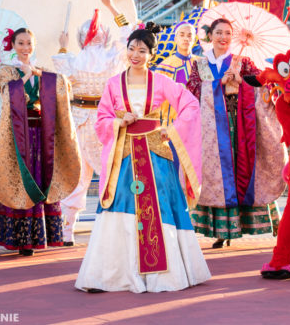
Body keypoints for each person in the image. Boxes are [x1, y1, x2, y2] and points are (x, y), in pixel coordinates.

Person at [75, 24, 210, 293]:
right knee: (121, 203)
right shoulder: (114, 83)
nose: (135, 54)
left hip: (156, 153)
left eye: (142, 50)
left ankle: (161, 275)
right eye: (132, 49)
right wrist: (118, 120)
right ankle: (112, 275)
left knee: (159, 206)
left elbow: (189, 104)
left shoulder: (160, 81)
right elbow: (102, 119)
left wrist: (170, 130)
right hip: (124, 154)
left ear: (152, 54)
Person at [0, 28, 81, 258]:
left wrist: (37, 74)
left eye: (29, 43)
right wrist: (25, 76)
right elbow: (9, 97)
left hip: (38, 135)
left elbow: (63, 87)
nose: (25, 48)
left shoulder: (40, 70)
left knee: (36, 181)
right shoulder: (5, 71)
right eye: (21, 43)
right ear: (13, 45)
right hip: (13, 137)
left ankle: (28, 240)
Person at [186, 18, 286, 248]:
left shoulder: (243, 62)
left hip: (241, 126)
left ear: (233, 37)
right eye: (218, 32)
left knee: (248, 170)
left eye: (228, 33)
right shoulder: (199, 65)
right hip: (212, 133)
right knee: (218, 177)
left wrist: (241, 81)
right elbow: (191, 92)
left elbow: (264, 84)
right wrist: (216, 84)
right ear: (210, 36)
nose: (223, 37)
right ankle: (222, 229)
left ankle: (255, 223)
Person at [53, 0, 132, 246]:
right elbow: (128, 35)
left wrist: (63, 45)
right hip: (103, 122)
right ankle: (112, 226)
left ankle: (67, 231)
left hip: (81, 121)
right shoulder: (112, 58)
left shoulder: (72, 59)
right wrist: (111, 5)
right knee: (110, 174)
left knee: (78, 178)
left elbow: (61, 68)